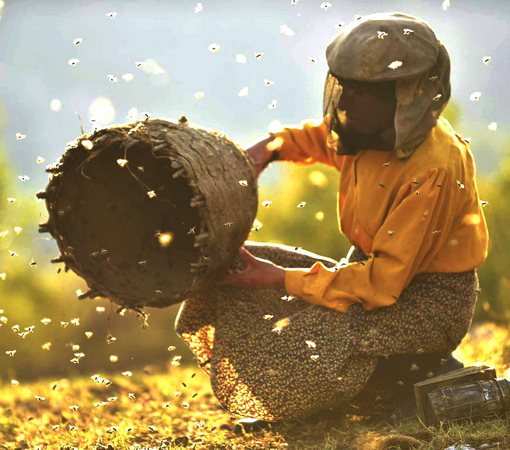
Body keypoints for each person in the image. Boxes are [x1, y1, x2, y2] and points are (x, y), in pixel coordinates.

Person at [175, 12, 489, 424]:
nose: (345, 100)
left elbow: (382, 284)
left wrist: (276, 278)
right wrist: (270, 148)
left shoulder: (432, 169)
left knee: (305, 342)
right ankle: (382, 381)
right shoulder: (370, 130)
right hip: (368, 277)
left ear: (407, 93)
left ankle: (416, 378)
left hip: (427, 305)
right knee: (234, 268)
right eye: (345, 84)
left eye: (363, 90)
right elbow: (323, 139)